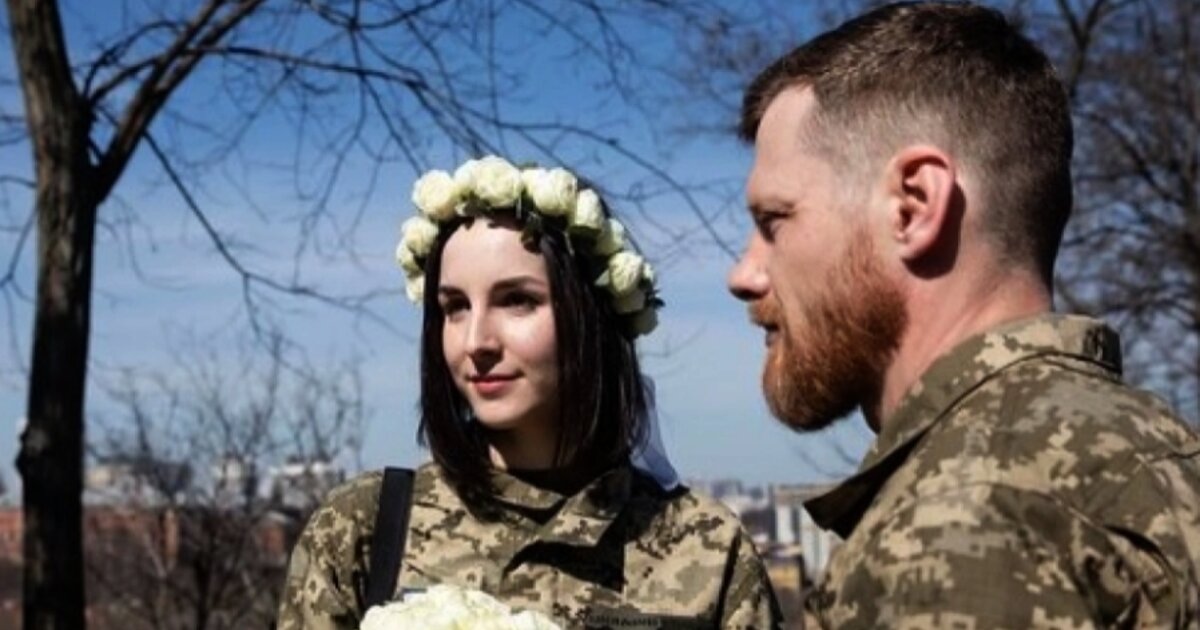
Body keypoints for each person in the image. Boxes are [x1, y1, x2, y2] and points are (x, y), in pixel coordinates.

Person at [728, 2, 1200, 628]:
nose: (744, 274)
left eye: (774, 221)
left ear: (913, 206)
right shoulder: (1162, 452)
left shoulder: (953, 529)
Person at [278, 155, 782, 629]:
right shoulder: (363, 528)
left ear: (591, 316)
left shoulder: (707, 550)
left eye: (517, 300)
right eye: (455, 307)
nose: (476, 341)